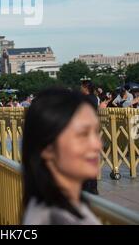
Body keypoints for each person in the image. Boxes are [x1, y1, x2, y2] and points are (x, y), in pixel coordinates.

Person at [22, 88, 102, 225]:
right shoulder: (58, 219)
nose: (97, 145)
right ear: (47, 148)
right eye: (83, 134)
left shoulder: (56, 207)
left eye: (96, 132)